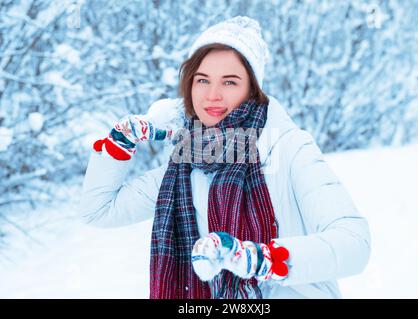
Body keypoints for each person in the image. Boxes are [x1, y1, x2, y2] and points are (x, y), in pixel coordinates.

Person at [80, 16, 371, 299]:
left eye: (230, 82)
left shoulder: (288, 147)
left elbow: (353, 243)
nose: (212, 95)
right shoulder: (186, 164)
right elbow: (99, 211)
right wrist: (120, 142)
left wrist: (259, 259)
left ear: (251, 89)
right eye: (202, 80)